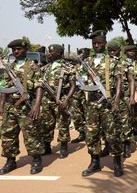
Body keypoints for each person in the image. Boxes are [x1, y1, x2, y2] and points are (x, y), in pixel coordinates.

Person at [79, 30, 124, 177]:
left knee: (112, 135)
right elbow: (81, 81)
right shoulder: (88, 62)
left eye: (99, 43)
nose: (97, 45)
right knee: (92, 135)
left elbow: (119, 81)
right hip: (92, 104)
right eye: (94, 43)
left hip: (108, 104)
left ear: (105, 43)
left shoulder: (112, 61)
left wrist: (116, 100)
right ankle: (95, 162)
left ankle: (117, 162)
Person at [0, 39, 44, 174]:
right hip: (10, 107)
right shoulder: (9, 67)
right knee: (8, 134)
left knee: (31, 134)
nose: (16, 51)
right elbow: (3, 87)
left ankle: (36, 160)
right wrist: (1, 105)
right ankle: (10, 161)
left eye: (19, 49)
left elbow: (39, 86)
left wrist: (37, 104)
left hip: (26, 107)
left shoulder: (33, 66)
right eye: (14, 50)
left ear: (26, 50)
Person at [39, 44, 76, 158]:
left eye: (51, 52)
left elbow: (73, 86)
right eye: (49, 52)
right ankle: (47, 146)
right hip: (47, 100)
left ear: (59, 53)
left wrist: (66, 100)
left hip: (61, 99)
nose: (49, 54)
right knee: (46, 123)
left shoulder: (68, 67)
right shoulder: (46, 68)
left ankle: (63, 146)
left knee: (63, 123)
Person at [70, 48, 90, 144]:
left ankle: (91, 134)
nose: (82, 56)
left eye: (84, 54)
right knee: (76, 113)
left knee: (89, 113)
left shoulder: (91, 65)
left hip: (89, 92)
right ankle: (81, 133)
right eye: (80, 54)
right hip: (77, 91)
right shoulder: (75, 66)